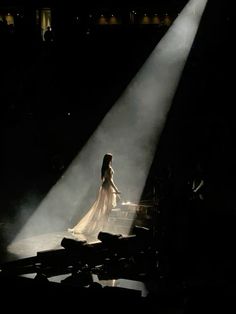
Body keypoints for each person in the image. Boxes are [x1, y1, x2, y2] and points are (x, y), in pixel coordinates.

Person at [68, 153, 121, 237]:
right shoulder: (109, 168)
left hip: (104, 187)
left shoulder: (105, 167)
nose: (112, 159)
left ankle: (102, 227)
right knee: (104, 208)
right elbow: (110, 181)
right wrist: (116, 190)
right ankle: (100, 227)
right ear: (109, 159)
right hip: (107, 188)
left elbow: (107, 180)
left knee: (102, 208)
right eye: (111, 158)